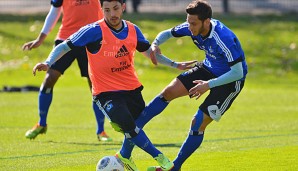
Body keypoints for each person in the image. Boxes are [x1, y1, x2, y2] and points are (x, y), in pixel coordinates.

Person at [32, 0, 196, 170]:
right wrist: (48, 62)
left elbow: (150, 53)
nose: (112, 14)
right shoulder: (93, 30)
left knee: (135, 127)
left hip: (131, 88)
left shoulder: (132, 29)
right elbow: (65, 46)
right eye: (107, 10)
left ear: (123, 7)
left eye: (116, 8)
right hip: (105, 93)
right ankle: (162, 159)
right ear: (101, 9)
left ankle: (125, 157)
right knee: (129, 126)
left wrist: (175, 65)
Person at [120, 0, 248, 170]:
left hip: (229, 81)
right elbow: (167, 33)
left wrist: (208, 85)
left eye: (193, 23)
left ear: (207, 21)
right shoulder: (191, 26)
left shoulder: (223, 38)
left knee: (197, 123)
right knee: (167, 92)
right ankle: (127, 147)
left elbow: (238, 72)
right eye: (188, 21)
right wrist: (156, 44)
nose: (189, 27)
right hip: (208, 68)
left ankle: (175, 167)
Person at [23, 0, 112, 141]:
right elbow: (54, 11)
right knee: (49, 79)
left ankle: (101, 131)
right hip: (66, 38)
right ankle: (41, 123)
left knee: (95, 85)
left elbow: (109, 7)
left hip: (92, 38)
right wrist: (41, 38)